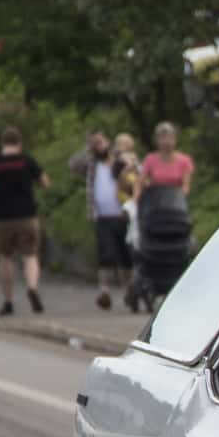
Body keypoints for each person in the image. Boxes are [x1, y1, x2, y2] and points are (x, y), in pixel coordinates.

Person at [0, 127, 50, 316]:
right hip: (27, 215)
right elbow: (45, 182)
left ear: (2, 143)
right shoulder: (26, 161)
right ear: (19, 143)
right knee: (30, 256)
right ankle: (32, 287)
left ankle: (8, 301)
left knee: (5, 258)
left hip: (3, 218)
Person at [69, 130, 132, 310]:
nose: (99, 147)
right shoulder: (92, 164)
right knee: (106, 254)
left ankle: (129, 290)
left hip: (122, 214)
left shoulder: (120, 161)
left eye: (101, 142)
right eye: (95, 144)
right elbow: (73, 165)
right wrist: (88, 148)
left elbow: (136, 174)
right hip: (102, 217)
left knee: (125, 255)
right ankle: (104, 291)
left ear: (108, 142)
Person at [137, 122, 194, 201]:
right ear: (157, 140)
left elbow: (186, 187)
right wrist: (137, 198)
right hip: (155, 202)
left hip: (177, 201)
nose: (167, 141)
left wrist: (176, 197)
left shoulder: (185, 160)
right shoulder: (150, 159)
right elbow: (139, 183)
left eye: (170, 138)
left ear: (175, 139)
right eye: (163, 138)